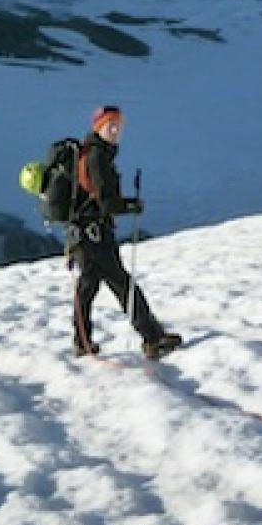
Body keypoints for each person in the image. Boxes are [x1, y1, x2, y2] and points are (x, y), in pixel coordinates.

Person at [70, 105, 182, 361]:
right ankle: (152, 338)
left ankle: (82, 341)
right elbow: (106, 202)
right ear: (99, 128)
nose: (116, 131)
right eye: (110, 126)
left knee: (88, 287)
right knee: (121, 284)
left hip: (85, 233)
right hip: (95, 233)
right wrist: (130, 206)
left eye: (118, 126)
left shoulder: (93, 153)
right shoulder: (98, 157)